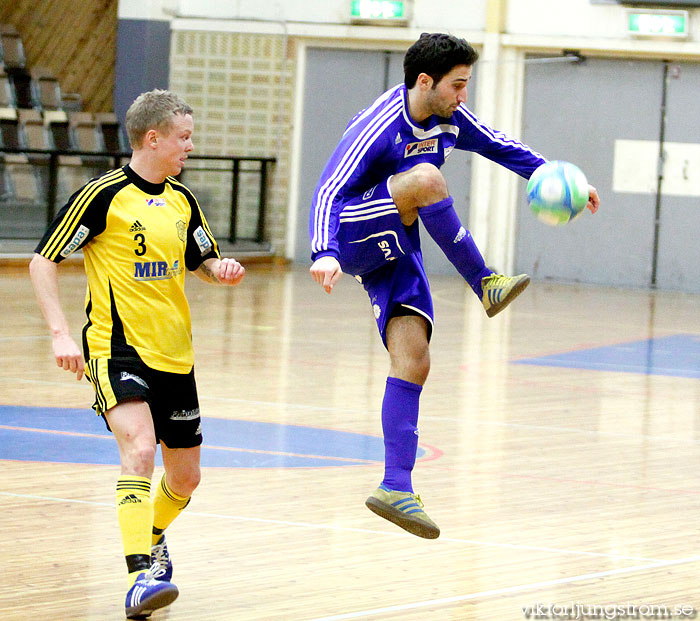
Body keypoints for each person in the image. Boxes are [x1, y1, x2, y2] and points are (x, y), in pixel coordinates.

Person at [309, 33, 600, 539]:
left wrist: (556, 175)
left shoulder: (449, 118)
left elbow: (497, 145)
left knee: (415, 357)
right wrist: (324, 252)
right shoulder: (379, 124)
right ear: (425, 82)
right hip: (354, 229)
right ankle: (485, 282)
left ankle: (396, 485)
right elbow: (329, 189)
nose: (463, 95)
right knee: (426, 178)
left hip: (396, 244)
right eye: (457, 85)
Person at [29, 89, 245, 618]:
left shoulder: (183, 200)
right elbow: (42, 260)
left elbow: (204, 258)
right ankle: (137, 579)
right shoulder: (102, 196)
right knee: (140, 452)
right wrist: (60, 333)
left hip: (177, 356)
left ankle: (150, 535)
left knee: (185, 478)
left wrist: (222, 269)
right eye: (184, 137)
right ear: (154, 138)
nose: (190, 147)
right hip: (116, 350)